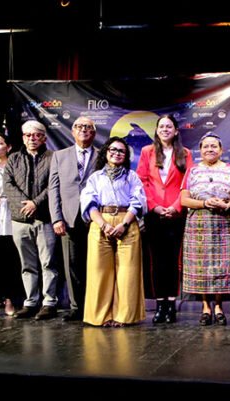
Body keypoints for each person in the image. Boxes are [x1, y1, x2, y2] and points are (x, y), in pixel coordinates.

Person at [80, 136, 147, 327]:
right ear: (106, 152)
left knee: (128, 272)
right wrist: (104, 225)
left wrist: (124, 224)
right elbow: (89, 203)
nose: (116, 153)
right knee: (99, 271)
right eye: (113, 150)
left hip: (127, 222)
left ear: (126, 155)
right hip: (101, 223)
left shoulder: (131, 176)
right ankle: (100, 316)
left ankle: (124, 316)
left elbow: (138, 201)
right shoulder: (95, 177)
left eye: (121, 151)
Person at [180, 132, 230, 326]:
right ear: (200, 150)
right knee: (200, 267)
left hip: (224, 222)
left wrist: (226, 205)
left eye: (214, 146)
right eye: (206, 146)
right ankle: (205, 307)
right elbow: (184, 200)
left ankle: (218, 306)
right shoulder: (192, 171)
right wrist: (204, 203)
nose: (210, 149)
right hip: (198, 224)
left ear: (221, 150)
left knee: (221, 266)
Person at [136, 114, 193, 324]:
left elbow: (189, 182)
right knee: (157, 261)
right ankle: (160, 305)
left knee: (174, 261)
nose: (165, 129)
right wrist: (155, 207)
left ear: (176, 131)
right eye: (161, 126)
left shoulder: (185, 153)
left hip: (177, 214)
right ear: (157, 130)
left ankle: (171, 304)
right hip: (155, 214)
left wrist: (176, 207)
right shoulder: (147, 152)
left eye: (169, 126)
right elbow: (142, 181)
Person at [4, 120, 59, 320]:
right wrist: (26, 205)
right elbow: (8, 184)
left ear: (44, 137)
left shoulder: (53, 158)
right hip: (20, 220)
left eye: (36, 135)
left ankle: (49, 302)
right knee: (27, 264)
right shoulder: (13, 158)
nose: (32, 138)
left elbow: (54, 185)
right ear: (23, 138)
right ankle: (31, 302)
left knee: (48, 263)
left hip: (44, 219)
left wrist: (35, 203)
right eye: (28, 135)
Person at [49, 117, 98, 322]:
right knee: (73, 265)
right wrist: (56, 219)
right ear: (72, 131)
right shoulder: (59, 156)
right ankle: (77, 307)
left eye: (88, 127)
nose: (83, 130)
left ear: (94, 132)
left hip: (95, 218)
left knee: (96, 264)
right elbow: (53, 189)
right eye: (79, 126)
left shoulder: (102, 155)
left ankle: (95, 307)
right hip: (69, 218)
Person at [0, 131, 23, 316]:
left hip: (10, 215)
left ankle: (9, 299)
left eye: (0, 143)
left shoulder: (14, 166)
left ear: (8, 147)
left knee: (10, 259)